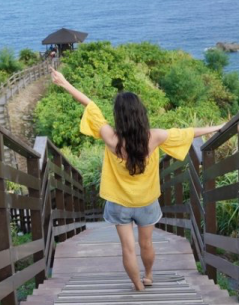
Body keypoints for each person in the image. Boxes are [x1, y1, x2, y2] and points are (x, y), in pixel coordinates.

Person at [50, 67, 224, 291]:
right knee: (147, 244)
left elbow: (89, 105)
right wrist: (217, 127)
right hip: (146, 201)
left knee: (128, 248)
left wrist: (64, 82)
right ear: (140, 113)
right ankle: (149, 275)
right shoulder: (155, 137)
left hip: (119, 202)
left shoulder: (109, 136)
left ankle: (137, 286)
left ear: (118, 117)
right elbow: (188, 133)